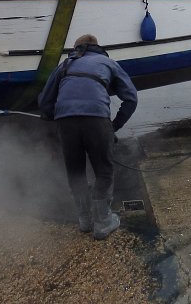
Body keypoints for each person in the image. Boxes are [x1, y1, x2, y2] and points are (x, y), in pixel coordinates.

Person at [38, 34, 138, 239]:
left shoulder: (65, 65)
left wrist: (51, 115)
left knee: (75, 170)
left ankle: (84, 220)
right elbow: (131, 98)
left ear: (77, 49)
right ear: (97, 47)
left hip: (66, 122)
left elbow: (45, 102)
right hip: (97, 119)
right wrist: (114, 126)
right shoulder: (108, 63)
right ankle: (102, 223)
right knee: (103, 170)